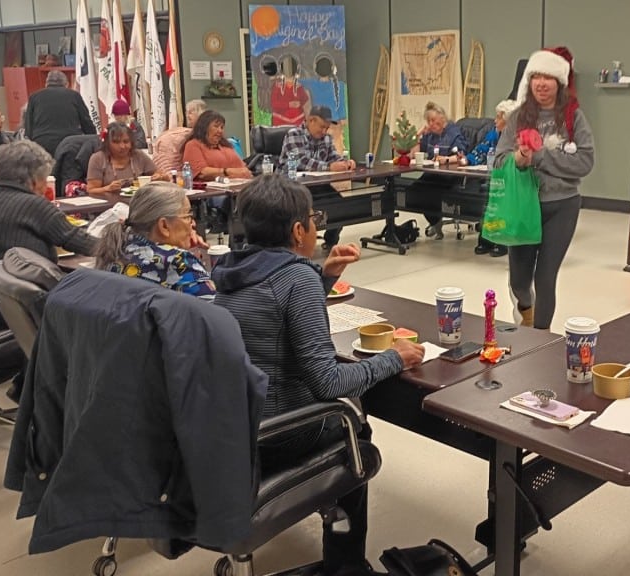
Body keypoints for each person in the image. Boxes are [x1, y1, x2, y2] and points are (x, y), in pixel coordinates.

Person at [213, 174, 425, 576]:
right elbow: (327, 382)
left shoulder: (231, 268)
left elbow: (270, 315)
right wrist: (395, 358)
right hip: (279, 433)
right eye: (314, 218)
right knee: (354, 431)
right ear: (298, 231)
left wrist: (321, 278)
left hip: (232, 427)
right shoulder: (295, 279)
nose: (317, 225)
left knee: (349, 409)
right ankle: (345, 565)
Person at [494, 47, 595, 330]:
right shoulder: (516, 118)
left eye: (548, 78)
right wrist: (519, 159)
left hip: (562, 206)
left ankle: (540, 338)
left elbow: (585, 162)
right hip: (524, 208)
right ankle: (527, 313)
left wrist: (539, 156)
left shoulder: (573, 118)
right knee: (519, 282)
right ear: (529, 80)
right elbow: (499, 161)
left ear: (559, 82)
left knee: (545, 276)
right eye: (536, 76)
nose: (541, 83)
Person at [0, 140, 96, 289]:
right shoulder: (34, 205)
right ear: (33, 178)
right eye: (44, 178)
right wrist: (118, 246)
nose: (45, 187)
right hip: (30, 298)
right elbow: (76, 239)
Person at [95, 182, 214, 298]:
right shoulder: (179, 261)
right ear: (164, 226)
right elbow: (216, 312)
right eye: (187, 216)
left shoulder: (117, 245)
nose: (193, 224)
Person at [280, 105, 355, 249]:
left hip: (317, 183)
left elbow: (333, 157)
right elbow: (300, 161)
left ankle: (330, 240)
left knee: (339, 205)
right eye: (322, 127)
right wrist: (328, 166)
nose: (324, 131)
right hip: (293, 186)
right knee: (304, 210)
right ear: (311, 120)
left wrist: (345, 163)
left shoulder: (326, 138)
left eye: (327, 128)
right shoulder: (294, 134)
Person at [466, 99, 517, 258]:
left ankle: (502, 242)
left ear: (508, 119)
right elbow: (481, 150)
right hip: (493, 177)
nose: (495, 120)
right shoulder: (494, 133)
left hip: (511, 180)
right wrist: (465, 160)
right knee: (488, 204)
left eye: (498, 117)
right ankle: (486, 238)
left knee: (503, 204)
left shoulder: (517, 136)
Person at [412, 102, 469, 237]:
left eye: (433, 120)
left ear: (443, 119)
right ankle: (435, 221)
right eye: (428, 121)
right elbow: (414, 154)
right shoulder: (430, 135)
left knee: (428, 192)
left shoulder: (453, 132)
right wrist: (419, 134)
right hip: (433, 174)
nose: (431, 124)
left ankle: (436, 223)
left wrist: (446, 159)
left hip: (449, 176)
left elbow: (461, 155)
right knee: (414, 190)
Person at [23, 70, 98, 158]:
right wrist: (94, 139)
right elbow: (86, 122)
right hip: (69, 144)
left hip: (42, 144)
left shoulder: (34, 97)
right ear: (66, 84)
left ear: (46, 84)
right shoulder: (74, 96)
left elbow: (28, 126)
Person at [86, 122, 164, 195]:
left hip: (138, 201)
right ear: (107, 143)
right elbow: (91, 190)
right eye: (116, 142)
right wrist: (107, 188)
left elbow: (159, 174)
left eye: (126, 141)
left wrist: (159, 177)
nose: (122, 146)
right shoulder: (98, 158)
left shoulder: (138, 155)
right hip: (108, 205)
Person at [182, 110, 252, 181]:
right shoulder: (193, 145)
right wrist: (227, 172)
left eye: (222, 127)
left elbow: (243, 168)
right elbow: (202, 172)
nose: (220, 130)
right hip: (211, 189)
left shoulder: (226, 145)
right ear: (204, 127)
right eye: (216, 126)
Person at [152, 99, 207, 173]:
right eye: (187, 112)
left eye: (191, 112)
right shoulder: (182, 133)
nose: (187, 115)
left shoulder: (203, 134)